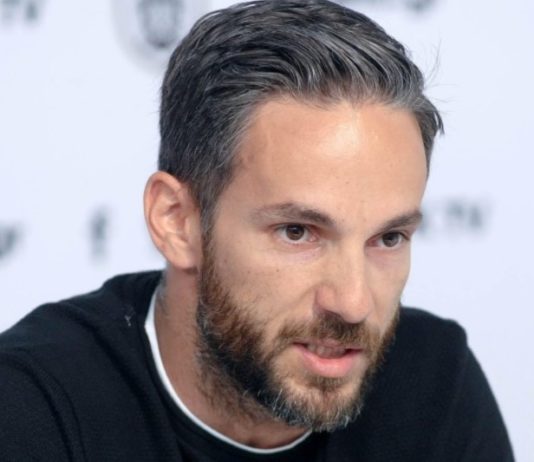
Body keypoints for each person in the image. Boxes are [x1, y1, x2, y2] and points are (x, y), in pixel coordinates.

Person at [0, 1, 513, 460]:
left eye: (388, 238)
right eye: (297, 232)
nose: (353, 303)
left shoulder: (434, 387)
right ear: (176, 221)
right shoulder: (32, 408)